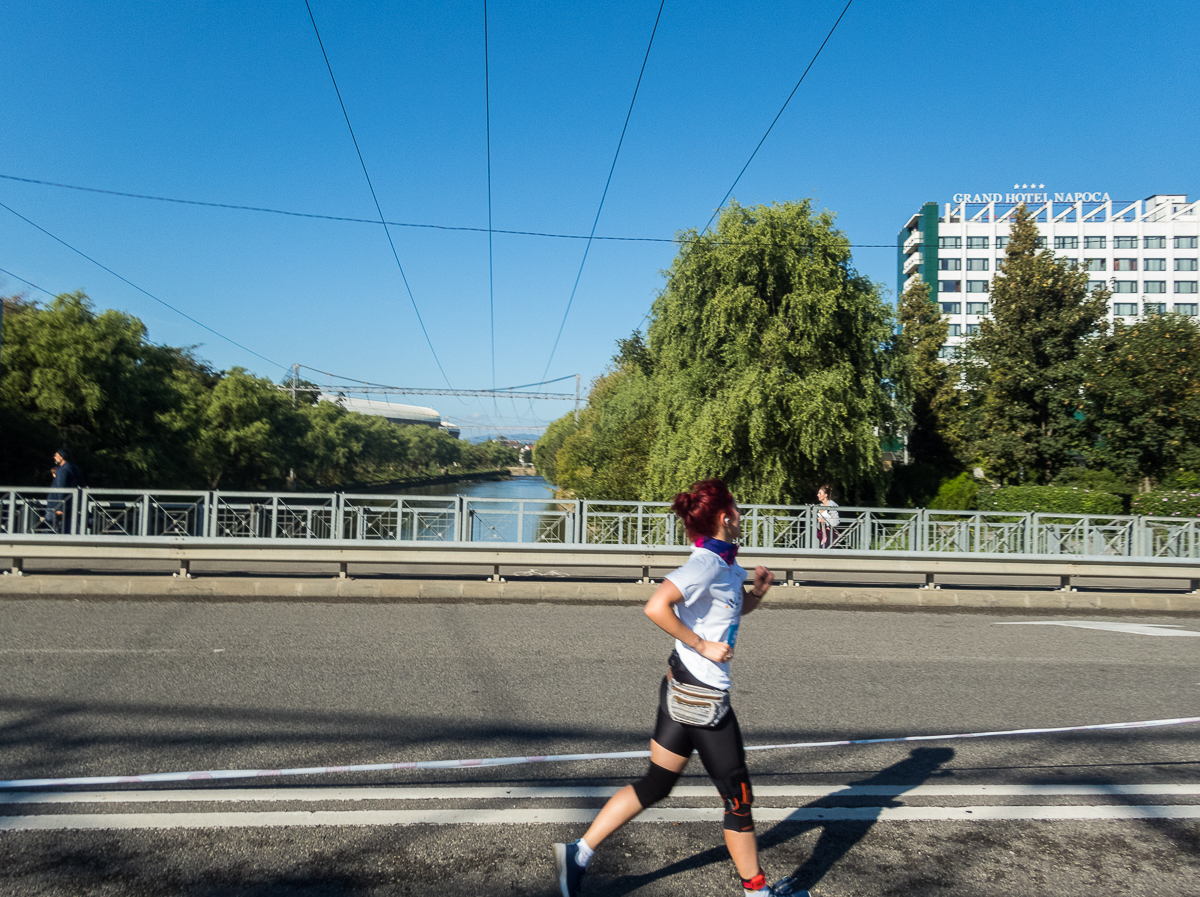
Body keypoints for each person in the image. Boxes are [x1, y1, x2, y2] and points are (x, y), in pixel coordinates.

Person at [553, 479, 798, 897]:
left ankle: (578, 853)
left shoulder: (724, 564)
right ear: (725, 517)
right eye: (737, 509)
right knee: (737, 800)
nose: (741, 515)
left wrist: (756, 593)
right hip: (704, 698)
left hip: (679, 690)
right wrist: (703, 646)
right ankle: (757, 893)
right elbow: (655, 605)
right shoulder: (705, 564)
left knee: (656, 785)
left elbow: (724, 616)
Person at [46, 447, 83, 534]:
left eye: (56, 455)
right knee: (68, 530)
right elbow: (83, 487)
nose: (54, 457)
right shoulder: (76, 469)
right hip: (72, 505)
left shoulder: (62, 470)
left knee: (50, 530)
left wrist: (60, 508)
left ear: (61, 456)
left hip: (56, 505)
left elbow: (61, 489)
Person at [815, 484, 839, 549]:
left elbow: (836, 521)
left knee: (826, 551)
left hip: (830, 534)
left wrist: (824, 520)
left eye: (820, 493)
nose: (818, 495)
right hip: (821, 534)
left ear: (825, 495)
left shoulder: (832, 505)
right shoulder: (819, 506)